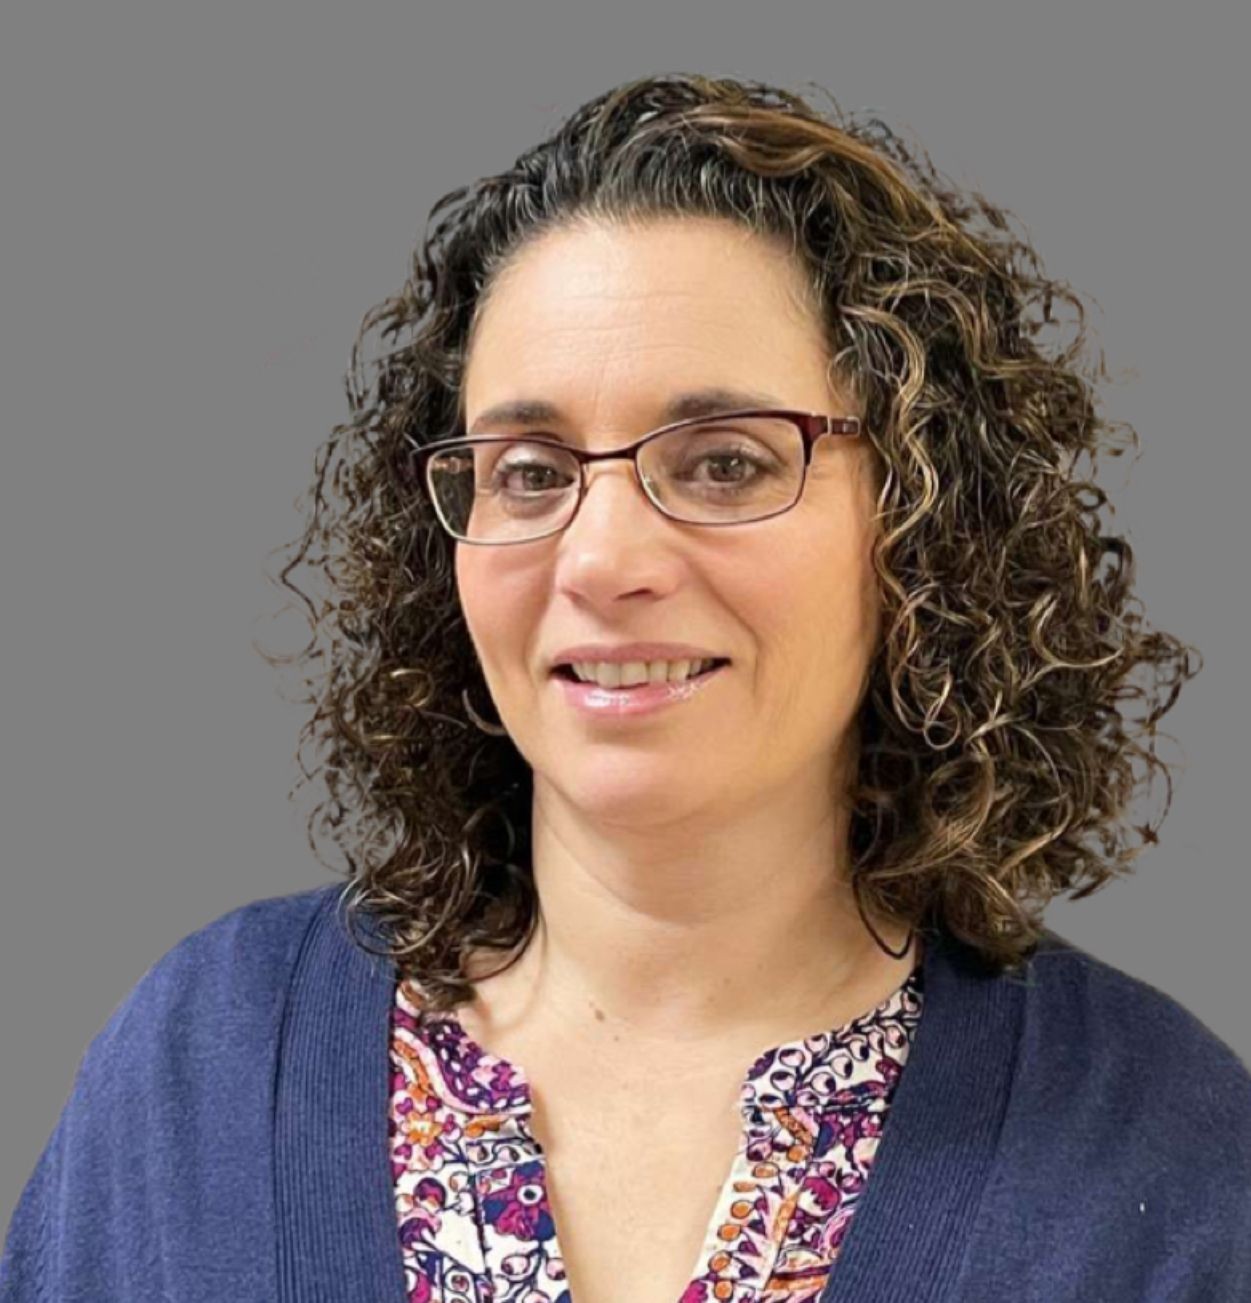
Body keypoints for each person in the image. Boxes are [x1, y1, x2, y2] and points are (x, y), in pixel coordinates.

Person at [2, 71, 1249, 1303]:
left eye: (723, 461)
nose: (601, 560)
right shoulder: (198, 1075)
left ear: (920, 521)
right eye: (532, 471)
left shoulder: (1173, 1165)